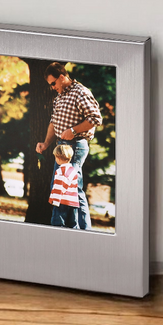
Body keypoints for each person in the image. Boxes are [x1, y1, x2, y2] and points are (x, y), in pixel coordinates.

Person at [35, 62, 103, 230]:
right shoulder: (60, 96)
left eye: (53, 83)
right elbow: (53, 123)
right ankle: (66, 227)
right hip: (62, 147)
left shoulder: (81, 92)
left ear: (62, 77)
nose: (52, 87)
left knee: (72, 189)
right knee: (59, 187)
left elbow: (96, 118)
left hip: (76, 146)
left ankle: (82, 230)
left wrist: (73, 130)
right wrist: (45, 143)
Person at [48, 143, 80, 228]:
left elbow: (60, 187)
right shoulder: (73, 170)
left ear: (58, 158)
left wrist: (54, 200)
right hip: (73, 203)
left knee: (58, 224)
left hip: (61, 202)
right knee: (72, 224)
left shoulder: (60, 171)